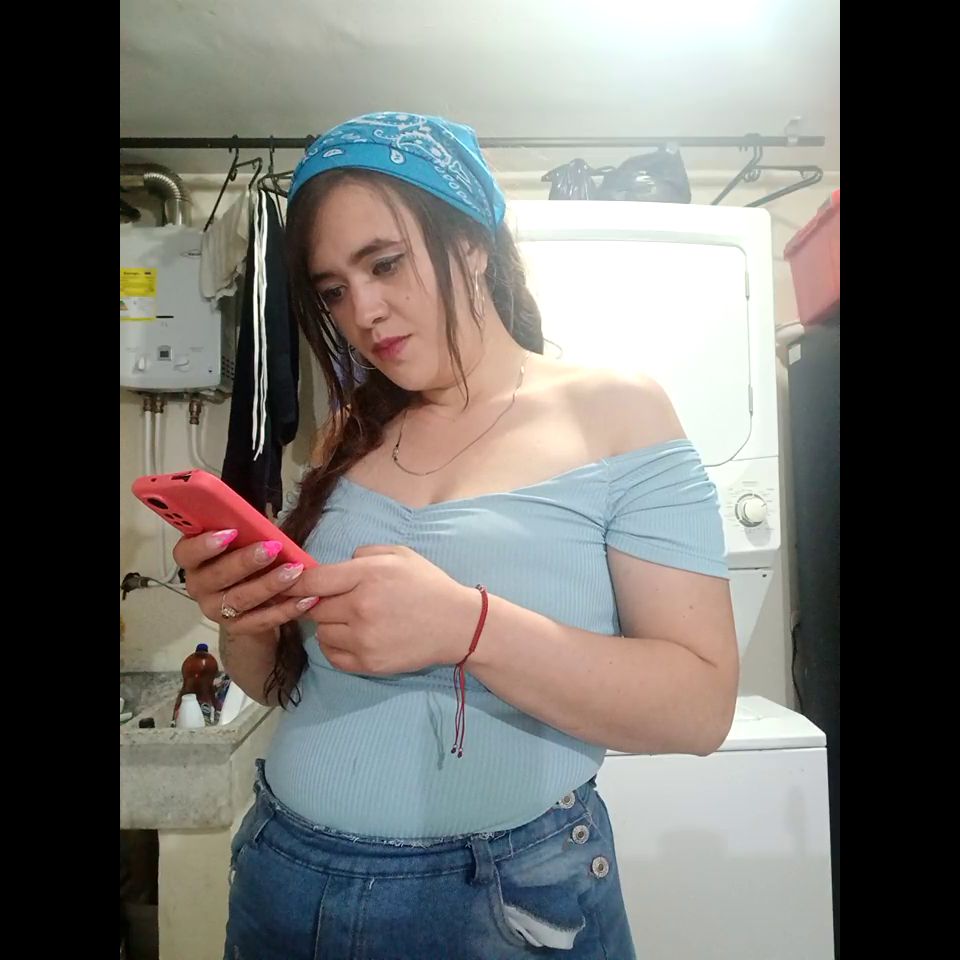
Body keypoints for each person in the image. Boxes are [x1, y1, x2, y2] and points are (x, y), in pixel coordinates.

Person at [174, 112, 738, 960]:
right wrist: (239, 612)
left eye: (385, 263)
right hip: (284, 879)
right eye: (332, 291)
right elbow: (276, 685)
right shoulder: (348, 434)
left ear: (472, 242)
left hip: (505, 904)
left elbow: (700, 708)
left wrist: (469, 627)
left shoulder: (614, 410)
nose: (363, 312)